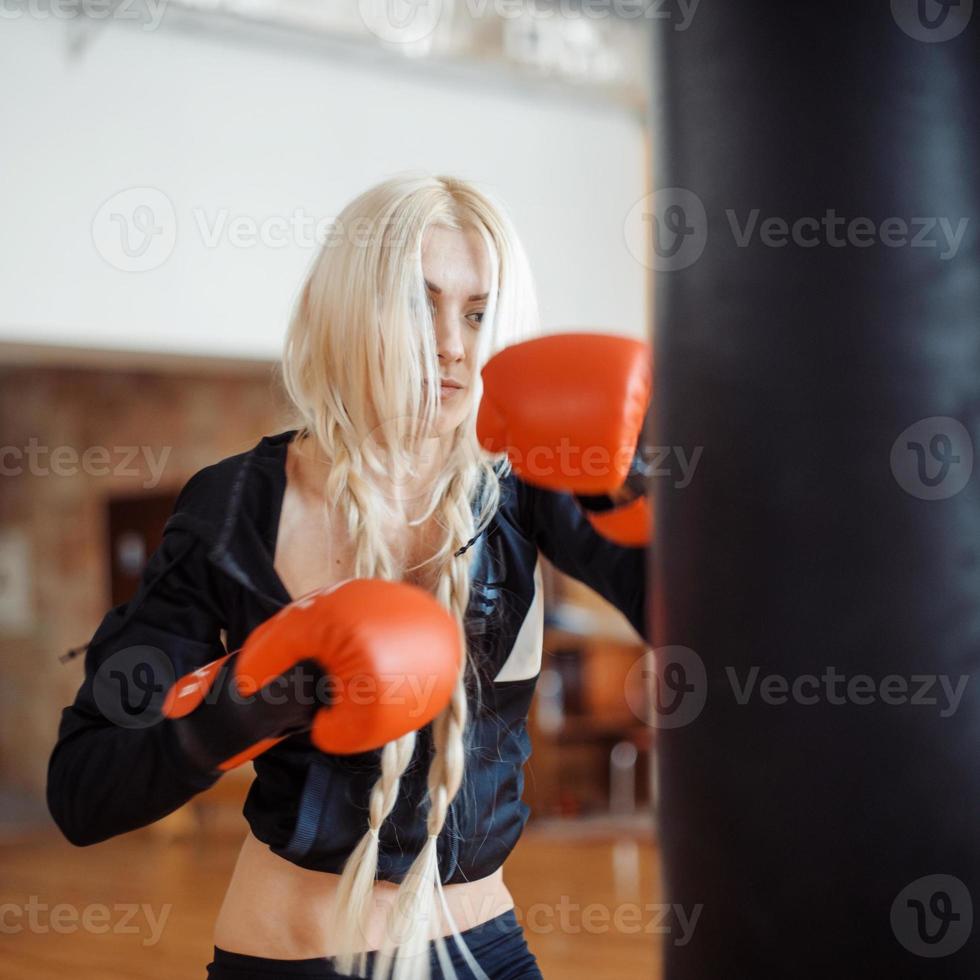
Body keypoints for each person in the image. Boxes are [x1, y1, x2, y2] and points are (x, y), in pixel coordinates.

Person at [46, 174, 651, 980]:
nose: (451, 345)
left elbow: (722, 633)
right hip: (290, 958)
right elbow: (84, 790)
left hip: (484, 952)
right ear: (347, 309)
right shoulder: (237, 508)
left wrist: (643, 499)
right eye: (416, 303)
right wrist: (239, 708)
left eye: (478, 313)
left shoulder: (528, 486)